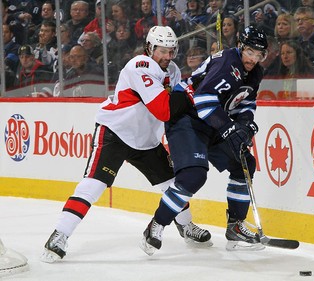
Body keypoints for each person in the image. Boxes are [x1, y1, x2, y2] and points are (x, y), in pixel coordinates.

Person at [41, 26, 212, 263]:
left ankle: (186, 226)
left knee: (173, 183)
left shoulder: (171, 70)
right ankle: (59, 234)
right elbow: (164, 109)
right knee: (93, 185)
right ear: (150, 48)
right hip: (115, 132)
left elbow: (174, 106)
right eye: (162, 51)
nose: (168, 56)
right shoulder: (139, 66)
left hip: (146, 140)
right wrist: (187, 93)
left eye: (171, 51)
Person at [140, 25, 268, 255]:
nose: (253, 59)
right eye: (250, 52)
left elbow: (245, 101)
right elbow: (203, 99)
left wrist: (246, 124)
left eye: (259, 55)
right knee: (193, 176)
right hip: (188, 118)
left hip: (212, 118)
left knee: (244, 163)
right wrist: (229, 129)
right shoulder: (228, 63)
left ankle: (236, 226)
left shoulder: (256, 72)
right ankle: (156, 226)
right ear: (241, 47)